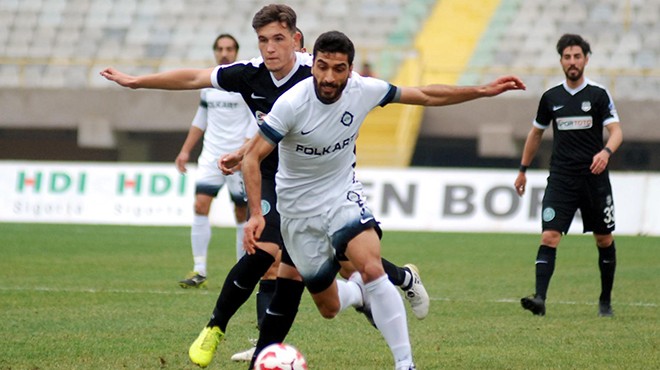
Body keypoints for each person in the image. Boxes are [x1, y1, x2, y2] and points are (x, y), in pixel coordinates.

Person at [101, 5, 428, 368]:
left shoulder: (316, 71)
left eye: (277, 39)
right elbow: (194, 78)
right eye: (262, 40)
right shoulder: (249, 74)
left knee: (331, 265)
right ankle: (222, 329)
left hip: (315, 178)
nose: (269, 49)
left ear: (296, 40)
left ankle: (388, 285)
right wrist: (136, 81)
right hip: (267, 176)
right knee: (270, 256)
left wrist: (244, 152)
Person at [241, 30, 525, 370]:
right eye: (322, 67)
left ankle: (405, 363)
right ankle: (359, 294)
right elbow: (251, 157)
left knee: (372, 265)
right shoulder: (292, 104)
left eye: (339, 68)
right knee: (328, 307)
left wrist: (481, 90)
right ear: (312, 63)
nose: (329, 77)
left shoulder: (365, 90)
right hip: (297, 212)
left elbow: (425, 95)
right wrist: (256, 213)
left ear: (350, 68)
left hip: (341, 195)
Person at [514, 34, 623, 317]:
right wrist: (523, 170)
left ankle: (605, 301)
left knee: (604, 239)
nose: (572, 62)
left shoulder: (599, 95)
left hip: (594, 178)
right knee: (549, 236)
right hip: (561, 178)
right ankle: (539, 299)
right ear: (561, 60)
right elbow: (536, 134)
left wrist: (606, 153)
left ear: (586, 59)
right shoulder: (551, 98)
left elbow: (616, 131)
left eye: (577, 56)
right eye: (567, 57)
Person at [176, 33, 253, 289]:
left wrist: (244, 153)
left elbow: (256, 120)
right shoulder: (209, 86)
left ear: (236, 51)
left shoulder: (245, 83)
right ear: (215, 52)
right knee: (200, 206)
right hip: (211, 156)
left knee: (241, 212)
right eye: (220, 49)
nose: (224, 53)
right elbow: (201, 120)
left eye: (229, 48)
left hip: (237, 159)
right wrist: (186, 150)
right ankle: (199, 269)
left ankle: (243, 270)